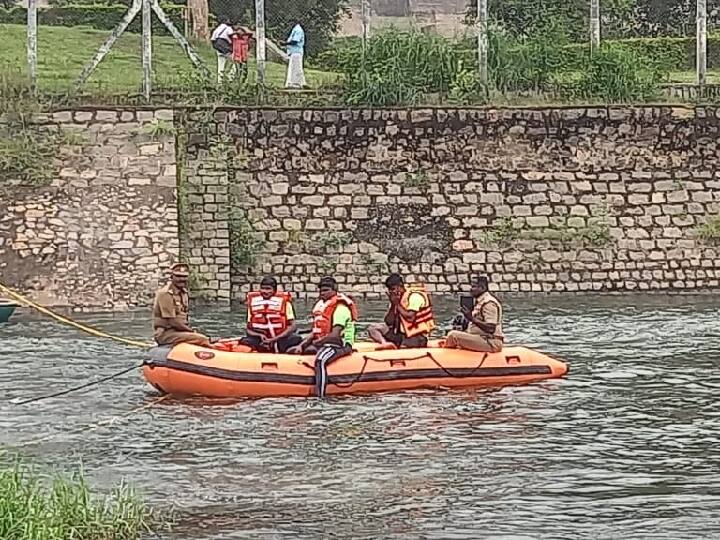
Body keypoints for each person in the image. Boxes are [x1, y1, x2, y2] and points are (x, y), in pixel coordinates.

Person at [288, 277, 357, 397]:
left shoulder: (341, 308)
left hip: (340, 345)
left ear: (334, 290)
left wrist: (316, 343)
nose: (322, 294)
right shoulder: (322, 307)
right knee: (306, 351)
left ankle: (321, 395)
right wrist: (301, 346)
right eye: (320, 291)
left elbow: (335, 336)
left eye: (326, 290)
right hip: (325, 342)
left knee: (320, 360)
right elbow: (316, 331)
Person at [368, 273, 436, 348]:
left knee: (403, 347)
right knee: (373, 328)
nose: (392, 292)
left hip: (416, 336)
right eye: (390, 290)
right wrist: (393, 305)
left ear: (400, 286)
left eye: (393, 289)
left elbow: (410, 318)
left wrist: (397, 304)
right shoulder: (396, 299)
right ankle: (385, 344)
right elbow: (389, 322)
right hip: (400, 334)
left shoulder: (415, 297)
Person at [152, 263, 210, 348]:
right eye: (178, 276)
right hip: (166, 334)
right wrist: (192, 332)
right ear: (171, 277)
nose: (182, 279)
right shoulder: (165, 294)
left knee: (204, 338)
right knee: (202, 339)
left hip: (179, 331)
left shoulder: (184, 293)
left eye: (184, 277)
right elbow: (173, 321)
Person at [240, 276, 301, 353]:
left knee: (295, 339)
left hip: (280, 339)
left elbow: (292, 326)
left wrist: (274, 339)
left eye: (268, 289)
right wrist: (260, 336)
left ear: (274, 290)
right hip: (260, 339)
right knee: (245, 341)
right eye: (263, 288)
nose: (265, 291)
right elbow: (248, 329)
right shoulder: (253, 304)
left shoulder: (285, 303)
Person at [444, 276, 504, 353]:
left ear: (482, 288)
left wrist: (471, 318)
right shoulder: (480, 302)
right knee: (451, 332)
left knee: (453, 335)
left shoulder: (489, 303)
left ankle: (447, 358)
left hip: (490, 342)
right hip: (481, 338)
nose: (471, 289)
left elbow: (491, 328)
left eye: (474, 286)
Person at [285, 22, 306, 89]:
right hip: (294, 52)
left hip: (296, 52)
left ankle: (296, 83)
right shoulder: (295, 29)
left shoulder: (298, 30)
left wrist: (284, 43)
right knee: (293, 68)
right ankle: (293, 83)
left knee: (296, 68)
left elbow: (295, 41)